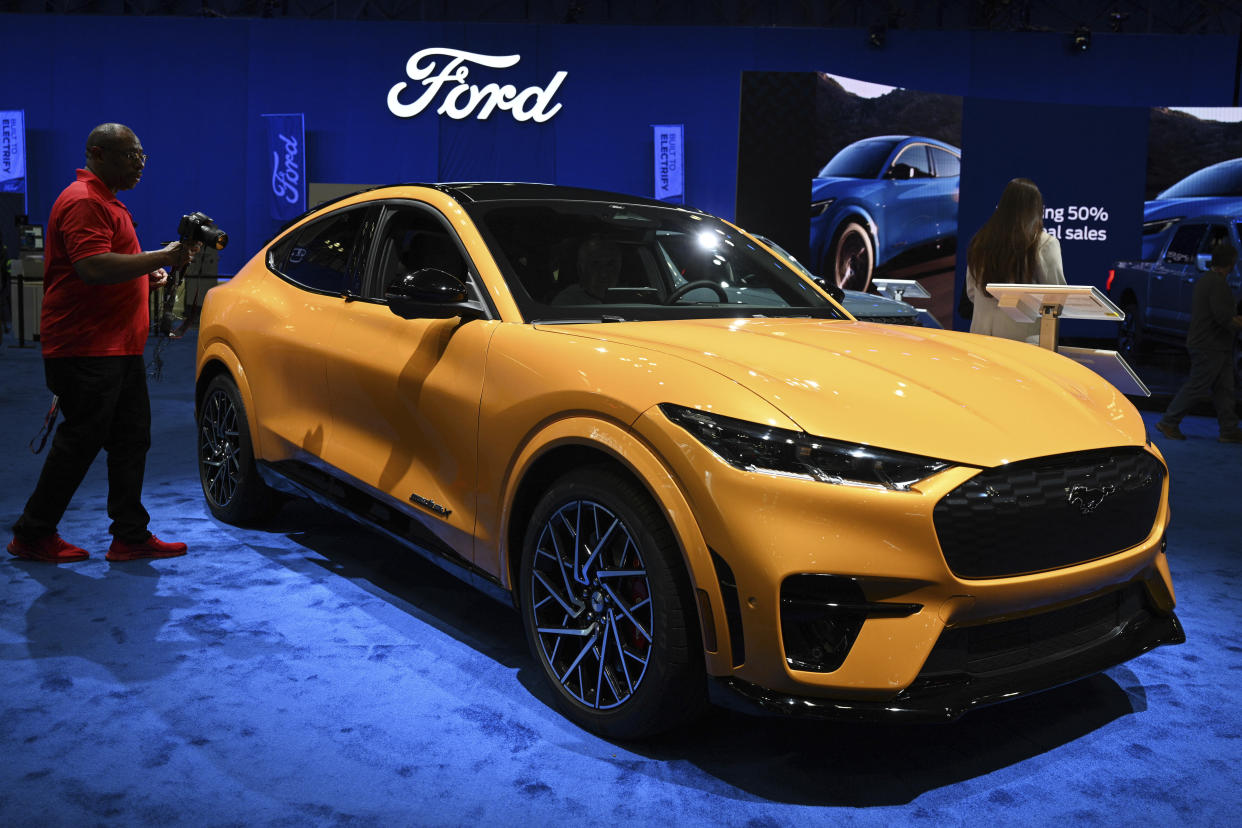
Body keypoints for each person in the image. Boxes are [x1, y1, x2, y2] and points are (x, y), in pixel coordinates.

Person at [7, 123, 194, 563]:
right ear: (98, 154)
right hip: (88, 348)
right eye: (131, 155)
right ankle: (33, 534)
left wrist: (145, 273)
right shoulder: (86, 201)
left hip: (115, 348)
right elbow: (91, 267)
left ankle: (129, 535)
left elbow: (106, 264)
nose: (140, 164)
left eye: (142, 155)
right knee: (80, 443)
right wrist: (163, 257)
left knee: (131, 440)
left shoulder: (106, 202)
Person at [1155, 241, 1242, 443]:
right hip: (1209, 345)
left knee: (1224, 389)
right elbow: (1223, 317)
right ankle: (1169, 421)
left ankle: (1229, 429)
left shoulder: (1207, 280)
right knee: (1198, 386)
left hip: (1214, 344)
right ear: (1231, 262)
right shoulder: (1217, 284)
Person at [965, 178, 1066, 343]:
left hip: (980, 338)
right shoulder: (1044, 243)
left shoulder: (980, 241)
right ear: (1036, 209)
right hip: (1021, 343)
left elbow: (971, 292)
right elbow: (1057, 299)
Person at [552, 236, 622, 304]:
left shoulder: (629, 299)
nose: (604, 273)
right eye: (595, 264)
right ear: (581, 270)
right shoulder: (566, 303)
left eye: (610, 264)